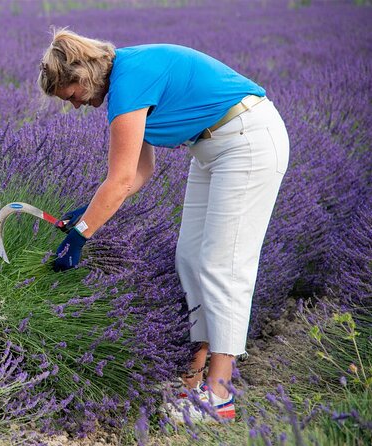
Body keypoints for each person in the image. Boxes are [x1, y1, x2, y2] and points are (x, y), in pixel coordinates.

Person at [38, 28, 289, 423]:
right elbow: (140, 172)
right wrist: (86, 211)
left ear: (81, 77)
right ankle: (192, 383)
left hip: (247, 140)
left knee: (222, 264)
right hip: (211, 149)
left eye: (70, 96)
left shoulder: (129, 81)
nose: (73, 106)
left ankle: (219, 397)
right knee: (190, 259)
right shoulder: (126, 76)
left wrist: (79, 236)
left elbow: (120, 180)